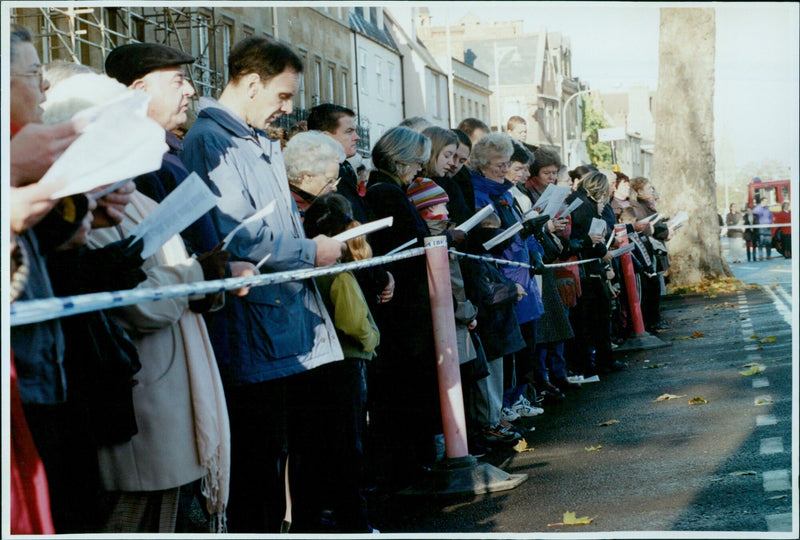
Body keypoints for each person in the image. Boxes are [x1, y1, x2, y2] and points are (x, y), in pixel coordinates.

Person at [180, 36, 345, 533]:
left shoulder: (252, 137)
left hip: (284, 325)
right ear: (251, 84)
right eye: (282, 96)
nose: (288, 108)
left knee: (286, 462)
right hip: (255, 333)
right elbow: (237, 236)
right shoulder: (210, 141)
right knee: (258, 475)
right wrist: (309, 251)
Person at [301, 194, 380, 533]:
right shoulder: (340, 273)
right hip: (347, 362)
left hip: (314, 364)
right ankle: (355, 524)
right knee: (350, 446)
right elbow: (353, 321)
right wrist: (372, 339)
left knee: (318, 445)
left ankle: (319, 516)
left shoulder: (308, 268)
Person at [104, 41, 220, 254]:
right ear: (140, 91)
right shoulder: (140, 161)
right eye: (178, 81)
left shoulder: (161, 153)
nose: (190, 90)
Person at [469, 132, 546, 424]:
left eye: (506, 163)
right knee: (510, 346)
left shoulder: (505, 193)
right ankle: (505, 404)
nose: (504, 169)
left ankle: (519, 396)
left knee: (527, 340)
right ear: (484, 164)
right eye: (500, 164)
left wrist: (532, 243)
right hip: (503, 274)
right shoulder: (481, 192)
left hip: (521, 270)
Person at [306, 104, 394, 309]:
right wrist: (380, 278)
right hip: (351, 286)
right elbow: (352, 233)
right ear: (326, 137)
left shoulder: (344, 171)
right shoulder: (330, 179)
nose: (357, 137)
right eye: (348, 131)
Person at [566, 170, 627, 375]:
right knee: (598, 317)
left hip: (586, 266)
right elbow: (590, 235)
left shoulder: (579, 201)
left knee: (593, 318)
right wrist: (604, 253)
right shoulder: (584, 206)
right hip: (588, 268)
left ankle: (596, 360)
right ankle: (600, 360)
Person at [629, 176, 670, 332]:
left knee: (655, 288)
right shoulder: (638, 206)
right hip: (645, 249)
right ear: (638, 191)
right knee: (649, 290)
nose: (652, 191)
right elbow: (645, 228)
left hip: (651, 249)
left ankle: (654, 319)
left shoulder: (646, 205)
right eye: (649, 188)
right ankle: (650, 322)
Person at [420, 125, 473, 225]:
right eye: (448, 156)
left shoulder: (462, 184)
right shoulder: (413, 182)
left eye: (462, 161)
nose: (454, 164)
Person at [283, 129, 344, 214]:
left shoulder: (315, 205)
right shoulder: (288, 210)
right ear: (307, 176)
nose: (335, 188)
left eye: (336, 181)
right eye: (330, 181)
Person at [752, 196, 774, 260]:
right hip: (761, 227)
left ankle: (768, 255)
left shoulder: (768, 208)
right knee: (760, 242)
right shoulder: (757, 208)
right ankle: (760, 256)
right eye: (765, 201)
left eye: (767, 201)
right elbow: (754, 213)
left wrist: (770, 222)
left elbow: (771, 216)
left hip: (768, 227)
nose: (766, 203)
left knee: (768, 242)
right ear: (761, 201)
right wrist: (761, 207)